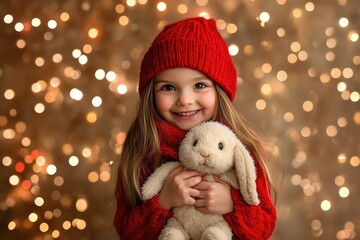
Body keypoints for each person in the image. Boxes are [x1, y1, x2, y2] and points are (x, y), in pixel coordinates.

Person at [113, 17, 277, 239]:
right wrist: (162, 202)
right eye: (168, 87)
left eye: (199, 85)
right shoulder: (143, 150)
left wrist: (232, 204)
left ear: (220, 90)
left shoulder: (239, 148)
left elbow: (263, 227)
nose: (185, 99)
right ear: (151, 94)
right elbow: (127, 232)